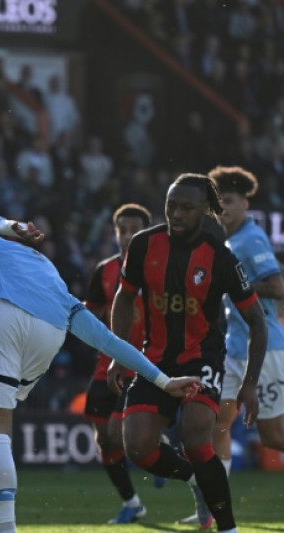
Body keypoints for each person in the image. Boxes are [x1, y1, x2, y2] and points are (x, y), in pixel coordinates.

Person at [0, 212, 201, 533]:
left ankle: (4, 529)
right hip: (48, 335)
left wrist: (9, 227)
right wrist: (162, 380)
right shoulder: (48, 272)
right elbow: (108, 340)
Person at [108, 173, 268, 533]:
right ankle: (197, 478)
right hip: (155, 359)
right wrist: (119, 353)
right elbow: (124, 297)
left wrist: (250, 384)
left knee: (197, 436)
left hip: (202, 357)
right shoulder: (143, 245)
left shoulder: (220, 257)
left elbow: (257, 321)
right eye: (170, 206)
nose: (176, 214)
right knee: (138, 448)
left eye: (186, 208)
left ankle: (228, 528)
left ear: (204, 211)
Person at [170, 166, 284, 525]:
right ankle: (212, 505)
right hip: (235, 349)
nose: (225, 209)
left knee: (272, 436)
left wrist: (233, 285)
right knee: (216, 424)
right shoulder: (230, 243)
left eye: (231, 202)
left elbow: (277, 287)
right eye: (220, 204)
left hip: (264, 349)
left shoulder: (251, 239)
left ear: (246, 202)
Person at [81, 204, 155, 524]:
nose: (127, 237)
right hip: (106, 364)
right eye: (121, 230)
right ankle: (132, 503)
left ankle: (159, 443)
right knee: (103, 438)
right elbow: (92, 310)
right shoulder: (105, 270)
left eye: (134, 230)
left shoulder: (157, 270)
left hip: (141, 364)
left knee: (116, 430)